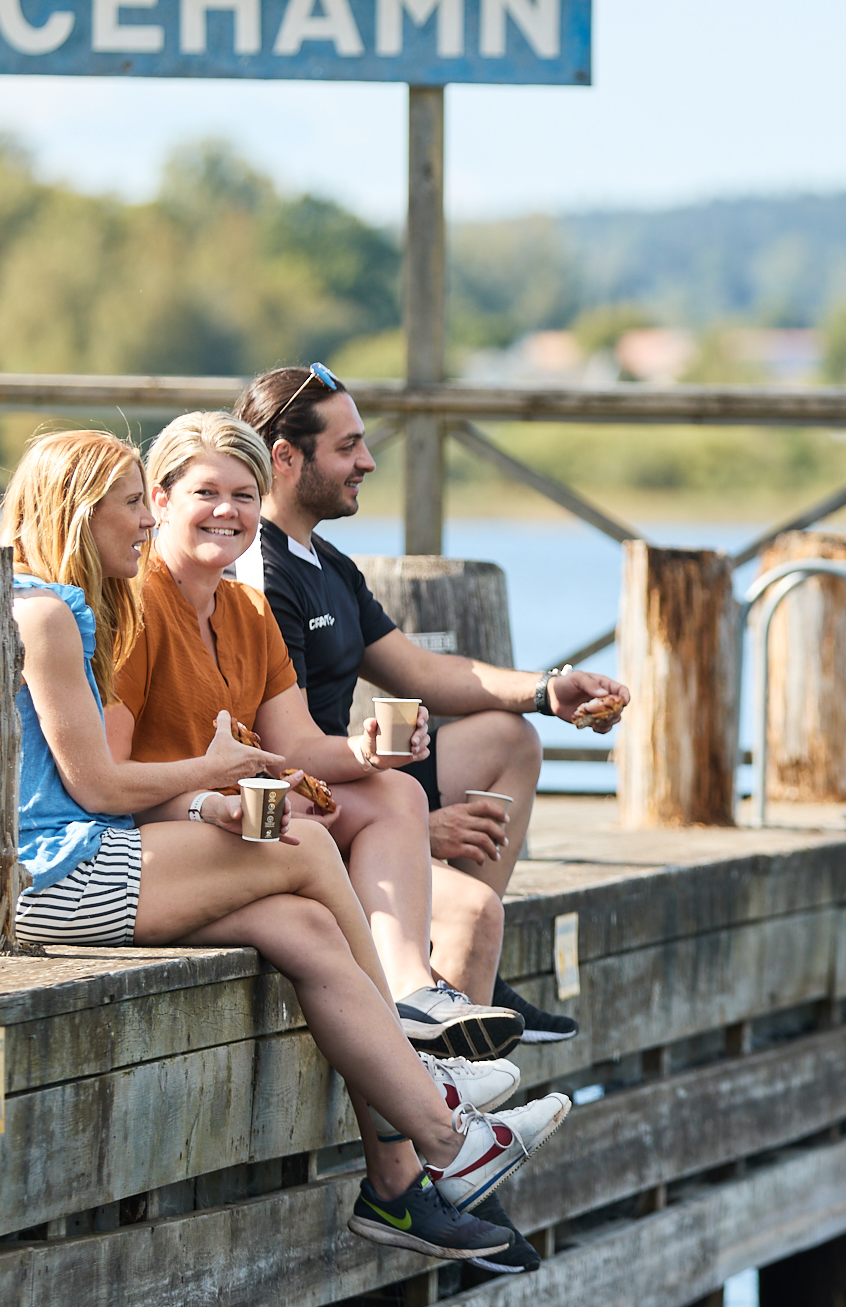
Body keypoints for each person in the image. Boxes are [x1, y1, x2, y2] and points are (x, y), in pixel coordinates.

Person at [1, 425, 568, 1265]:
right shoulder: (70, 610)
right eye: (137, 504)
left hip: (109, 850)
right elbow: (98, 786)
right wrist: (214, 776)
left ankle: (402, 1181)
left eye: (244, 494)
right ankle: (434, 1097)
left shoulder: (123, 605)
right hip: (64, 868)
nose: (146, 523)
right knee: (304, 848)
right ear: (88, 510)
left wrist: (341, 758)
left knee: (306, 921)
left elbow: (274, 750)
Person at [105, 409, 522, 1061]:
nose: (227, 511)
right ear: (160, 501)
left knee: (396, 792)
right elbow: (105, 779)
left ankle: (412, 991)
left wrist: (365, 750)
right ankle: (424, 1073)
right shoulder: (134, 606)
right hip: (165, 831)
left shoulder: (247, 608)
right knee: (346, 868)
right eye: (206, 493)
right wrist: (210, 798)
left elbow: (296, 746)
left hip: (245, 820)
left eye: (244, 495)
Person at [235, 363, 630, 1033]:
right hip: (301, 805)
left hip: (356, 782)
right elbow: (284, 754)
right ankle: (441, 1067)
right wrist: (414, 828)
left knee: (510, 736)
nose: (368, 461)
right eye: (348, 446)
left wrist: (545, 691)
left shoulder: (328, 563)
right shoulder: (260, 575)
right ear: (285, 457)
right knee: (475, 913)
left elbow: (419, 670)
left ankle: (467, 977)